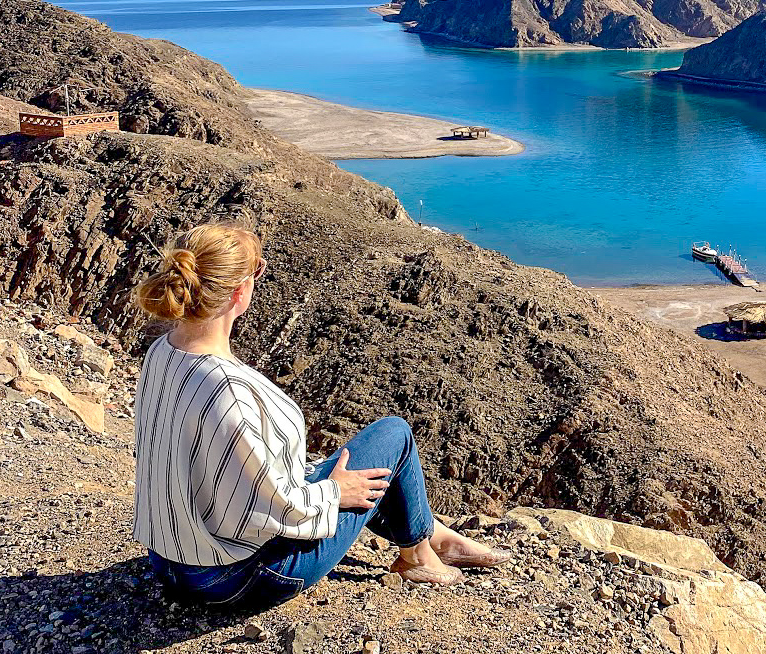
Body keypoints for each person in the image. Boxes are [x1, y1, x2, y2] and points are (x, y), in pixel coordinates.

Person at [131, 223, 507, 608]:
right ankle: (419, 555)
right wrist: (335, 492)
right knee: (394, 436)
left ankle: (432, 535)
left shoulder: (162, 352)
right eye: (256, 272)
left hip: (170, 561)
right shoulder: (230, 392)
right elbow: (277, 508)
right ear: (240, 292)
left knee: (346, 466)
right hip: (235, 579)